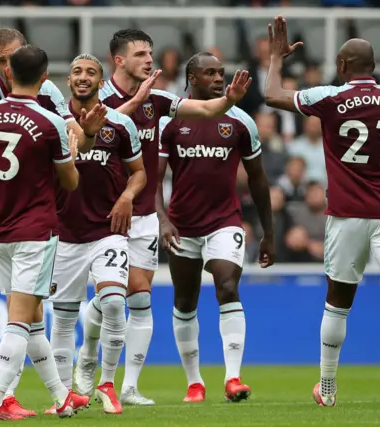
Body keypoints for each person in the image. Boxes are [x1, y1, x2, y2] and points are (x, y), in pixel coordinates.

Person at [264, 16, 380, 408]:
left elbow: (272, 95)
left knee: (337, 303)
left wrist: (276, 58)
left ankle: (327, 387)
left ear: (343, 67)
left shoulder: (329, 97)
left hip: (346, 216)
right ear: (375, 66)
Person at [75, 28, 252, 406]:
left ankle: (128, 386)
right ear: (118, 60)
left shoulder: (157, 100)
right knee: (112, 297)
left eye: (151, 53)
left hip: (142, 216)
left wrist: (228, 101)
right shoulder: (99, 98)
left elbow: (203, 107)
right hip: (104, 214)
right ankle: (89, 356)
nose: (149, 60)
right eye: (140, 54)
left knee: (139, 296)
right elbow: (77, 139)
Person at [0, 28, 106, 418]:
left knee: (31, 311)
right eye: (1, 59)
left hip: (17, 214)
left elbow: (75, 139)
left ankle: (53, 395)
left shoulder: (49, 94)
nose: (7, 65)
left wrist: (83, 134)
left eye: (13, 57)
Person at [155, 52, 275, 403]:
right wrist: (162, 220)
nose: (219, 78)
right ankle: (194, 383)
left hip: (224, 221)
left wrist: (268, 232)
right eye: (209, 73)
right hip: (182, 225)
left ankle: (233, 378)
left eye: (221, 72)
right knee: (185, 300)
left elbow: (258, 179)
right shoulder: (171, 122)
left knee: (227, 286)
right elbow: (153, 180)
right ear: (191, 77)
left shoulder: (240, 121)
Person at [44, 53, 146, 415]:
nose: (83, 77)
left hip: (108, 231)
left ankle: (106, 383)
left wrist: (126, 197)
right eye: (76, 72)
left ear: (101, 82)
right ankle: (64, 396)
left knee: (116, 303)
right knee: (63, 319)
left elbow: (139, 173)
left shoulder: (120, 125)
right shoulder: (53, 123)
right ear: (68, 82)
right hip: (65, 234)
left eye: (90, 72)